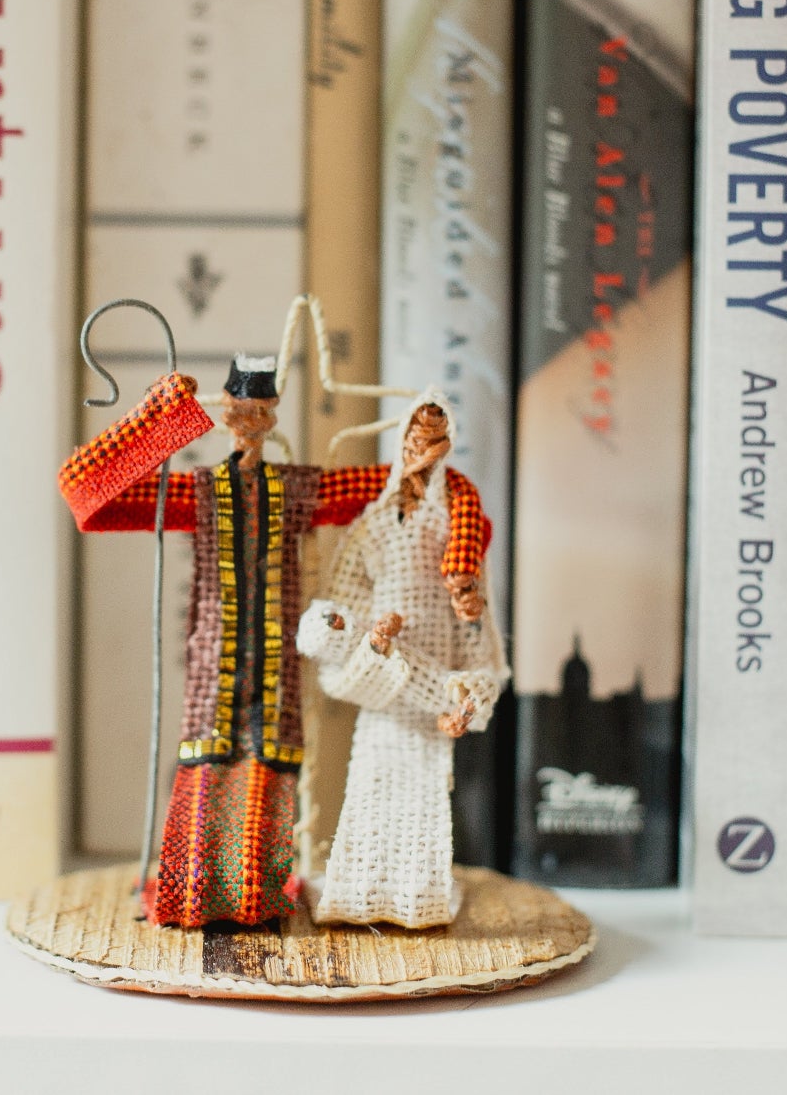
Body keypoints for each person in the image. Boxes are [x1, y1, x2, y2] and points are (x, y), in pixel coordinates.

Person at [59, 359, 490, 928]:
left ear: (271, 414)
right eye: (240, 409)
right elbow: (88, 497)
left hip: (277, 675)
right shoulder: (198, 490)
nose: (249, 419)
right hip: (214, 673)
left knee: (266, 782)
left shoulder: (298, 489)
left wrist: (461, 558)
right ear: (227, 412)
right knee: (207, 776)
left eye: (261, 409)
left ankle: (256, 905)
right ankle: (191, 900)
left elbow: (416, 487)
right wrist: (159, 418)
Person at [296, 394, 506, 929]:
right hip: (383, 706)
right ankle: (358, 894)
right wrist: (347, 631)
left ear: (444, 448)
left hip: (429, 711)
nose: (422, 455)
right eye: (415, 443)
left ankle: (418, 900)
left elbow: (481, 648)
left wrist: (466, 700)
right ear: (403, 446)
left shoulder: (460, 533)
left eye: (432, 445)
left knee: (421, 809)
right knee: (370, 794)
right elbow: (337, 613)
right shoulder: (370, 526)